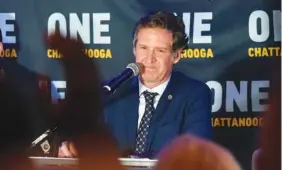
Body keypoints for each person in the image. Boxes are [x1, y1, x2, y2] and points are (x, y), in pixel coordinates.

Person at [59, 11, 212, 158]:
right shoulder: (113, 91)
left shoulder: (194, 94)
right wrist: (77, 148)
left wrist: (134, 160)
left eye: (160, 51)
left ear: (176, 56)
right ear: (134, 49)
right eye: (144, 48)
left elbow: (195, 153)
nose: (149, 59)